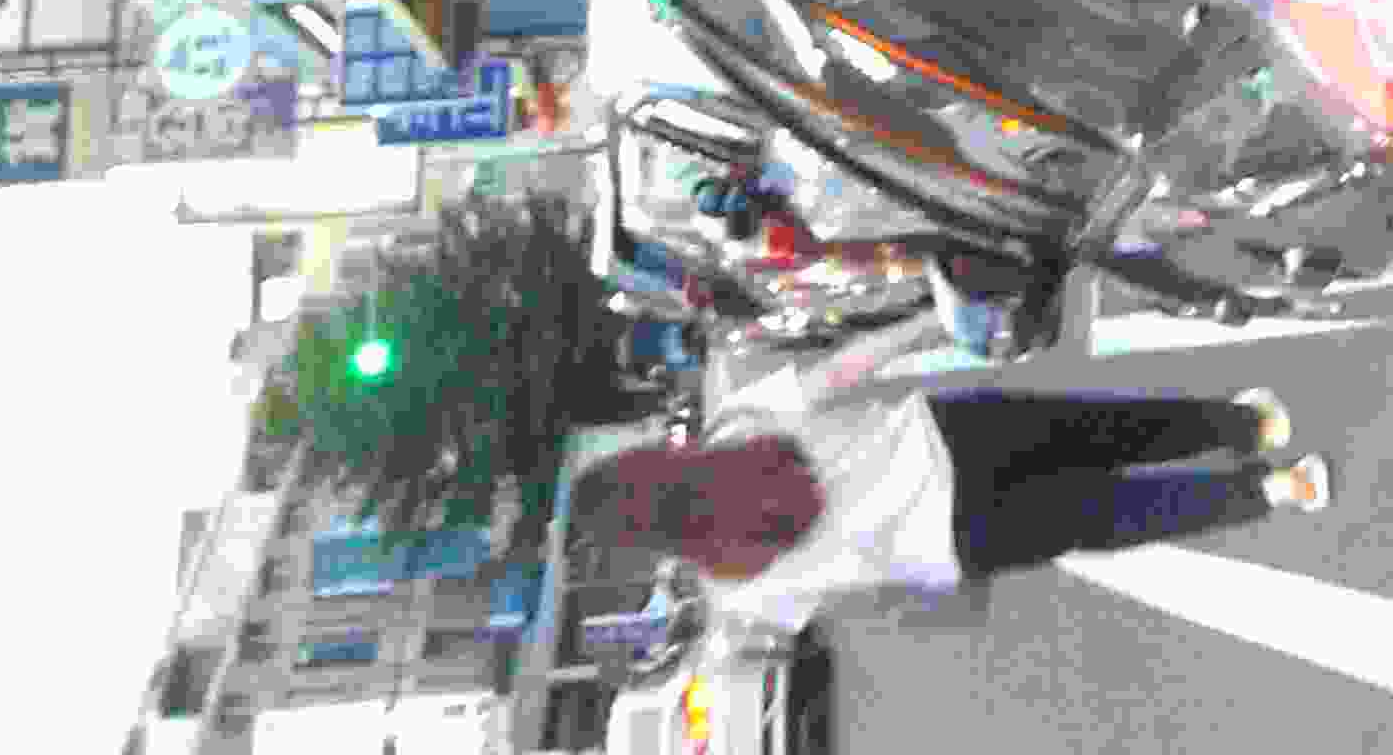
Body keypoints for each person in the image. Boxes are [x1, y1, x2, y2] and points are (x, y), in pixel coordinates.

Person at [568, 245, 1330, 633]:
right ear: (645, 465)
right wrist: (928, 320)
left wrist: (935, 584)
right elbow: (841, 371)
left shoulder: (737, 588)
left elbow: (860, 603)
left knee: (1117, 514)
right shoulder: (733, 429)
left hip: (952, 539)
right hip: (953, 436)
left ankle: (1277, 488)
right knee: (1106, 431)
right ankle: (1249, 424)